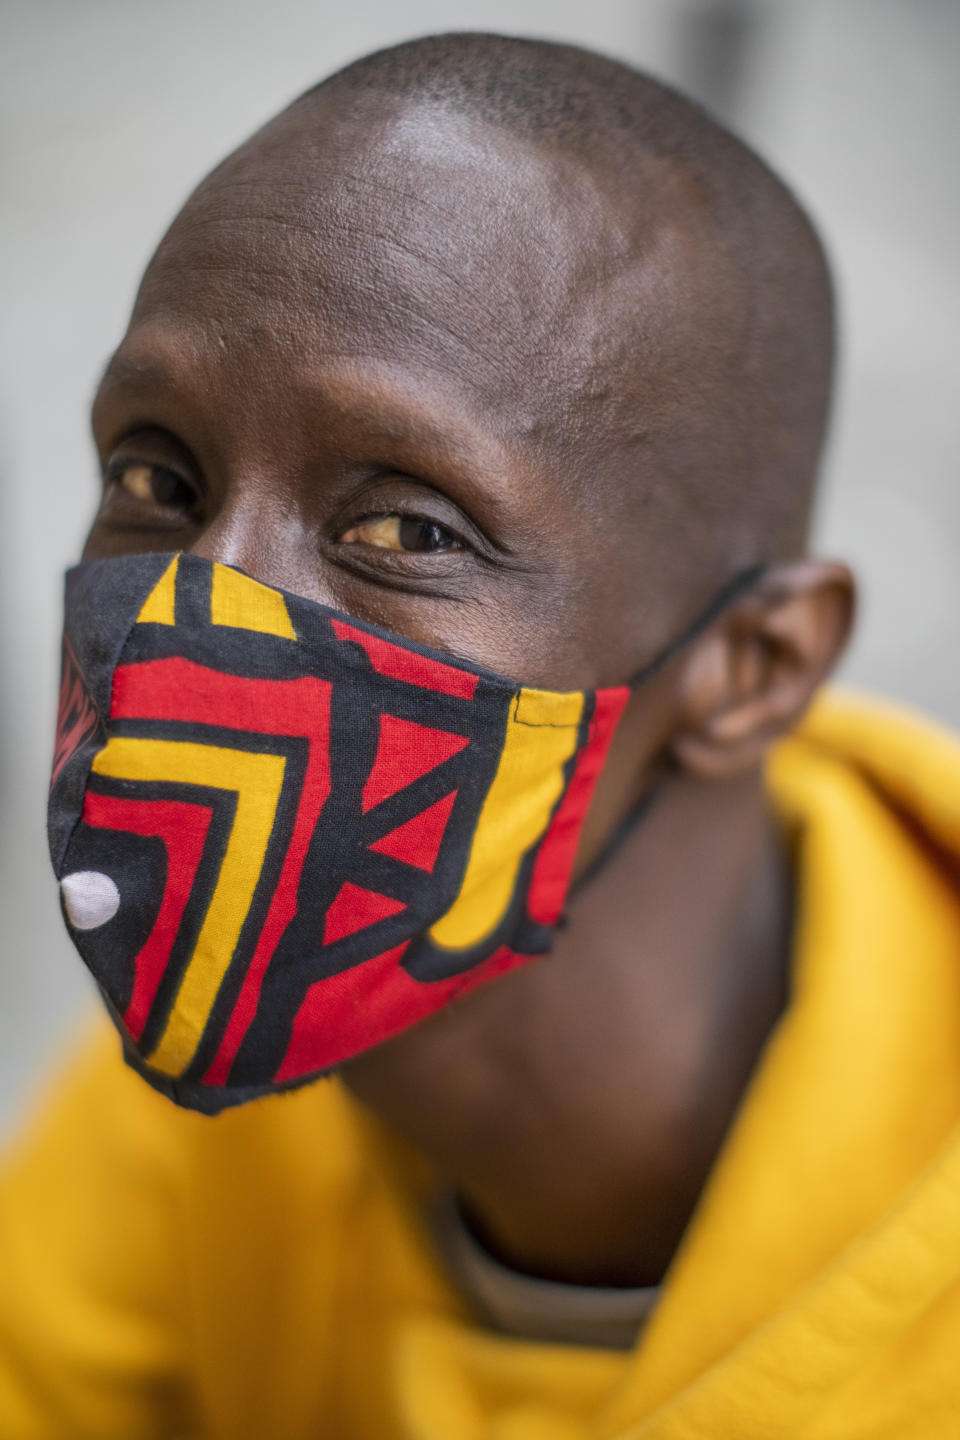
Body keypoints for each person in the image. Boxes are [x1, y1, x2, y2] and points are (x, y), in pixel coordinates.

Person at [3, 31, 960, 1440]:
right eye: (159, 474)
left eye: (405, 529)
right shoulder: (229, 1086)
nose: (191, 612)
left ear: (756, 665)